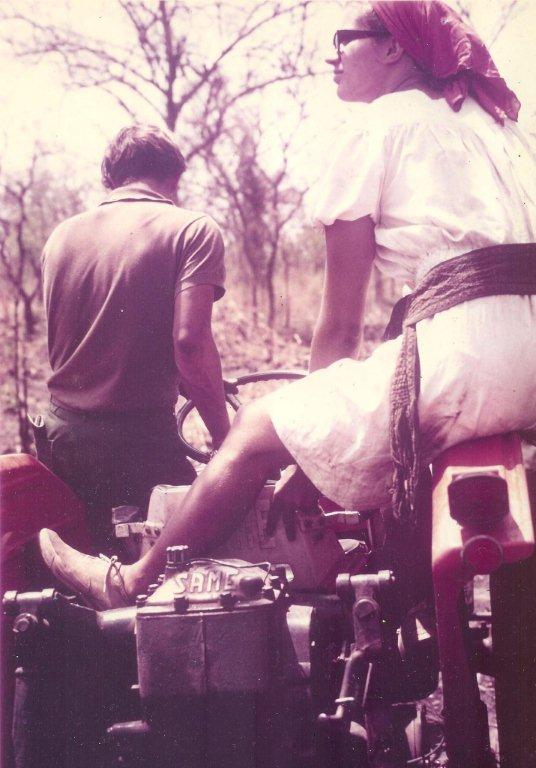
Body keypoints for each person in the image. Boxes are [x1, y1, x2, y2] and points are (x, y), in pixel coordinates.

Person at [40, 1, 536, 608]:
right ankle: (419, 621)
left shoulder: (375, 126)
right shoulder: (485, 122)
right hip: (522, 354)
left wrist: (307, 453)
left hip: (466, 361)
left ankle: (131, 581)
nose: (332, 53)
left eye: (343, 38)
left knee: (253, 430)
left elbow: (340, 322)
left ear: (392, 48)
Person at [38, 124, 231, 546]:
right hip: (138, 442)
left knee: (77, 573)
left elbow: (103, 341)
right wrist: (225, 440)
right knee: (201, 558)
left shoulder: (61, 236)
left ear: (111, 178)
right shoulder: (192, 229)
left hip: (63, 437)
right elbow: (189, 342)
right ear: (174, 177)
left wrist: (198, 383)